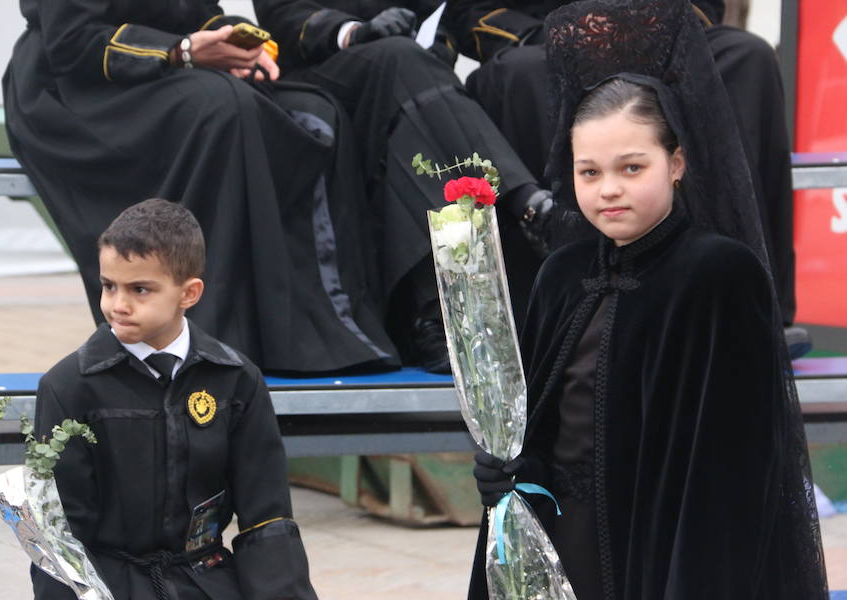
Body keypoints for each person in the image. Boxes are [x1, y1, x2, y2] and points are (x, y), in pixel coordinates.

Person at [468, 1, 828, 598]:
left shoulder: (719, 275)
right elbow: (544, 425)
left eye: (632, 167)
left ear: (677, 161)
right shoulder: (563, 273)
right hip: (563, 548)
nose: (608, 189)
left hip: (666, 558)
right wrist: (507, 473)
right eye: (589, 172)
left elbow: (735, 474)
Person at [4, 0, 399, 375]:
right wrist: (181, 51)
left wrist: (234, 45)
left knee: (317, 115)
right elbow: (73, 43)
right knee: (221, 108)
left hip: (167, 76)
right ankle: (202, 340)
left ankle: (322, 333)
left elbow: (199, 15)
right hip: (73, 93)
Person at [445, 0, 810, 356]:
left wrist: (645, 26)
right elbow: (471, 14)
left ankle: (752, 304)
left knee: (747, 55)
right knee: (517, 74)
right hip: (545, 46)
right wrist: (566, 34)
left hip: (658, 32)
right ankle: (563, 318)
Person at [31, 199, 318, 600]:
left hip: (206, 580)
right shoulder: (68, 386)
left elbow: (266, 517)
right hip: (110, 586)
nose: (118, 305)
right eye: (108, 285)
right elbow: (58, 534)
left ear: (190, 293)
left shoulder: (235, 380)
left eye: (140, 289)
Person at [252, 0, 557, 369]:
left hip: (407, 66)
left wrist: (437, 43)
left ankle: (435, 316)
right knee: (409, 72)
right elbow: (283, 14)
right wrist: (352, 31)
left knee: (418, 104)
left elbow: (444, 15)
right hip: (319, 68)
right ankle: (526, 203)